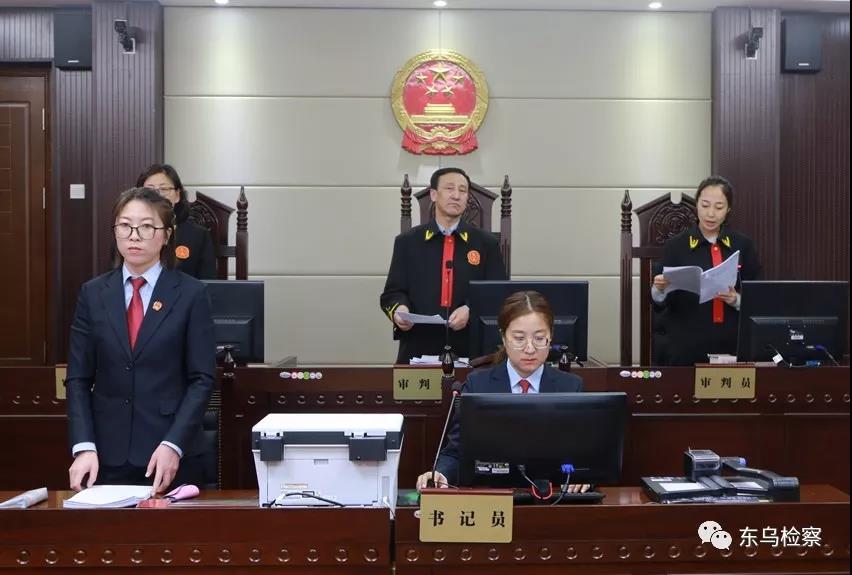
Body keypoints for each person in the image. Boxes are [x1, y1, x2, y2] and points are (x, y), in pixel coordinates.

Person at [67, 187, 216, 493]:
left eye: (147, 227)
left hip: (170, 455)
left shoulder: (191, 294)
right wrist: (84, 446)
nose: (134, 236)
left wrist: (174, 444)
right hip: (106, 456)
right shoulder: (93, 294)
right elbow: (78, 378)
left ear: (166, 235)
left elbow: (202, 379)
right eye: (125, 225)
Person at [415, 290, 587, 492]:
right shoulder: (478, 386)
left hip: (552, 497)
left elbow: (582, 456)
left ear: (551, 337)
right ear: (504, 338)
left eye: (539, 338)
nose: (530, 348)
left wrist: (582, 475)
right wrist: (441, 473)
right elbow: (456, 452)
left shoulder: (570, 387)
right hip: (493, 496)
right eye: (519, 338)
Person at [380, 167, 507, 364]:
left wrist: (471, 310)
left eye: (462, 190)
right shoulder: (407, 242)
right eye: (449, 188)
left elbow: (499, 294)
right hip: (418, 346)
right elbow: (392, 293)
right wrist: (400, 311)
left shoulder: (486, 243)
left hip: (472, 350)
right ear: (433, 194)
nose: (456, 195)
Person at [651, 176, 762, 365]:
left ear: (728, 210)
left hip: (732, 343)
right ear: (697, 205)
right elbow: (659, 302)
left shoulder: (743, 245)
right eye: (705, 205)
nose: (711, 214)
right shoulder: (676, 246)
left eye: (719, 207)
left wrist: (736, 300)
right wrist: (659, 288)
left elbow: (758, 297)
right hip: (686, 345)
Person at [137, 164, 217, 280]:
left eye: (164, 189)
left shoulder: (199, 236)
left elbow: (208, 284)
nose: (157, 195)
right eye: (149, 190)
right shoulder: (129, 232)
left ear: (177, 195)